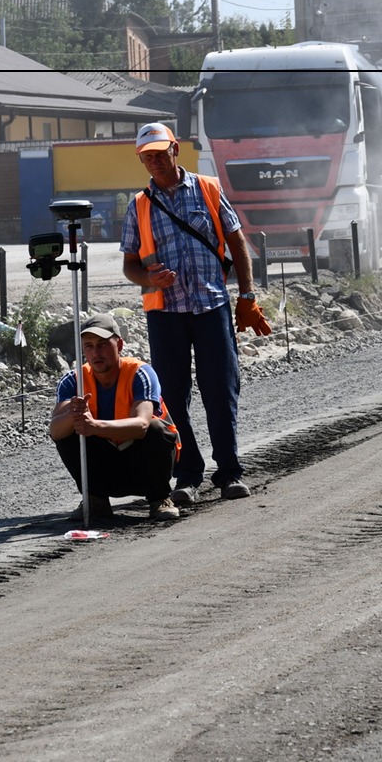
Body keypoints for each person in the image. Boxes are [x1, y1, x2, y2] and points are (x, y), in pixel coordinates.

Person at [120, 122, 272, 505]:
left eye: (159, 152)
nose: (153, 161)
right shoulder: (138, 205)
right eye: (146, 156)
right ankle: (187, 475)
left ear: (175, 150)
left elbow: (237, 242)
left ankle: (230, 472)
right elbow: (129, 266)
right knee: (171, 396)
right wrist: (148, 276)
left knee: (221, 391)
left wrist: (247, 296)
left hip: (211, 307)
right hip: (166, 313)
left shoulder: (208, 189)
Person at [49, 313, 181, 522]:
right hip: (105, 467)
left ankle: (160, 498)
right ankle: (95, 499)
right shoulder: (73, 379)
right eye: (89, 346)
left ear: (119, 345)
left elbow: (142, 425)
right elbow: (55, 431)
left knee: (156, 429)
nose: (96, 352)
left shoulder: (141, 373)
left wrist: (94, 426)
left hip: (143, 465)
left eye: (102, 344)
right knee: (69, 429)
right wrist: (72, 414)